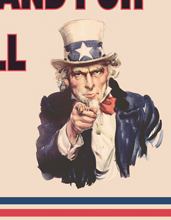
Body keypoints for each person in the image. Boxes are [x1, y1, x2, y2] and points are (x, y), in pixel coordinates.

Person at [37, 19, 162, 188]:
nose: (90, 84)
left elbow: (159, 160)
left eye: (97, 72)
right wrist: (71, 131)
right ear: (66, 79)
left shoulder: (141, 107)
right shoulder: (53, 106)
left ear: (109, 72)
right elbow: (45, 167)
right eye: (79, 74)